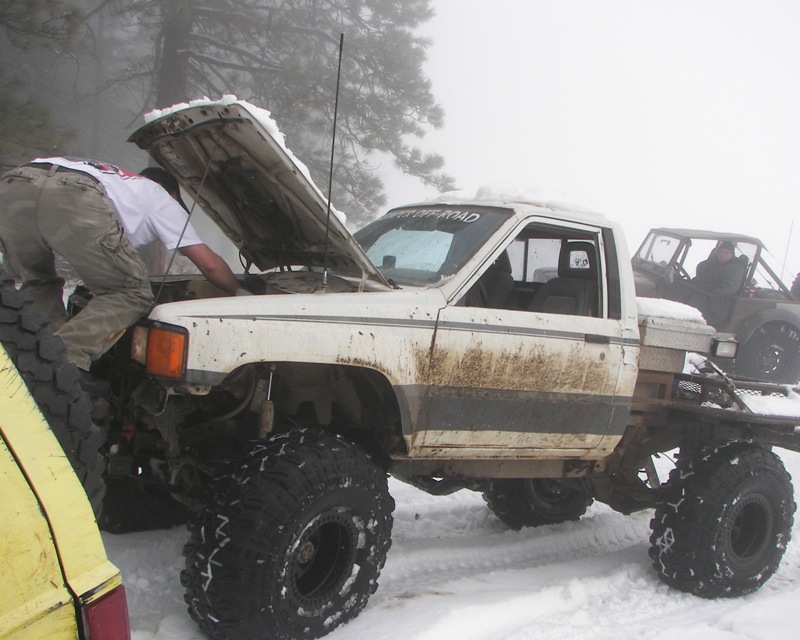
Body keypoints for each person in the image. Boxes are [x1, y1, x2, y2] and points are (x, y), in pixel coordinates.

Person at [0, 157, 246, 380]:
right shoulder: (161, 196)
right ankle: (58, 363)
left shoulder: (120, 182)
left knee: (38, 282)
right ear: (172, 192)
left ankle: (30, 356)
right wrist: (239, 291)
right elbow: (209, 264)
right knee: (131, 293)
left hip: (16, 182)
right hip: (72, 192)